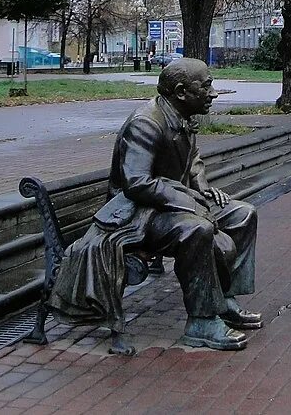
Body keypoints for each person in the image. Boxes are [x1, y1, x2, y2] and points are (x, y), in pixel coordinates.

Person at [52, 58, 261, 351]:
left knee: (242, 214)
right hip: (140, 215)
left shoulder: (182, 115)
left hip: (172, 203)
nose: (213, 93)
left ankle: (224, 299)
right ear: (181, 91)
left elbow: (193, 161)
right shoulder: (146, 124)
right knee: (197, 230)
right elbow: (137, 183)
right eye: (207, 86)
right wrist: (192, 204)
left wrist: (203, 188)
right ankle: (201, 321)